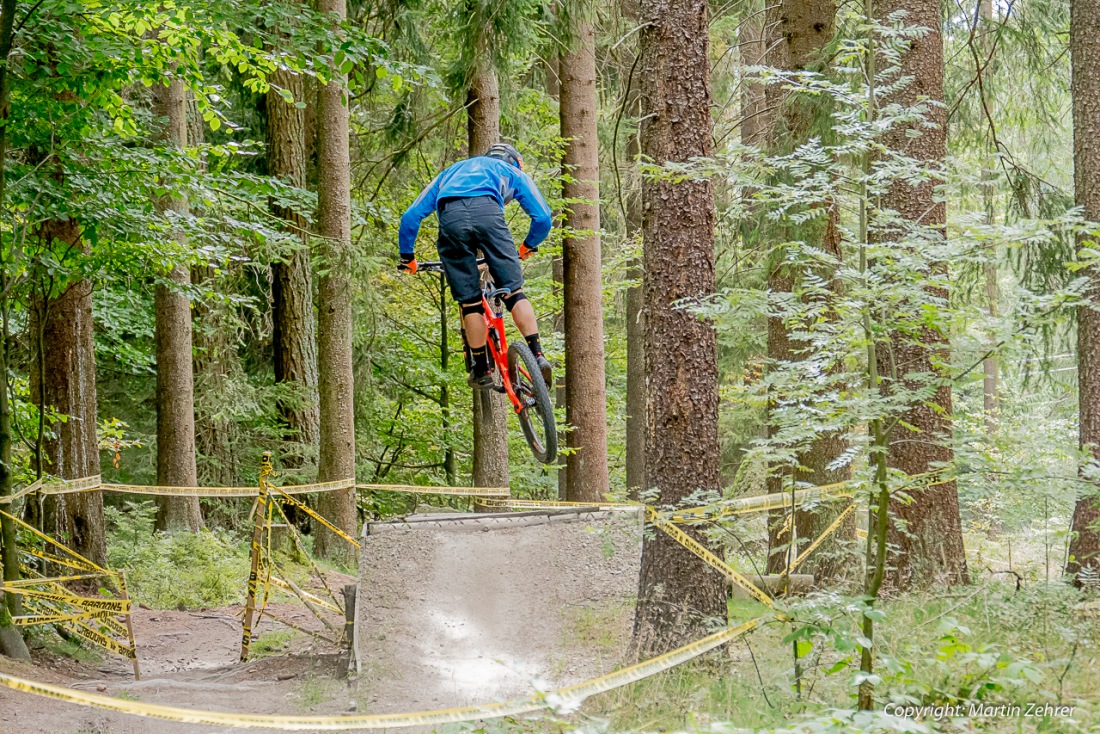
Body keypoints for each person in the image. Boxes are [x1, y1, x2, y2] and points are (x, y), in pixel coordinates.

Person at [397, 143, 554, 390]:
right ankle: (537, 355)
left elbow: (410, 217)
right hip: (489, 216)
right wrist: (527, 246)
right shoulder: (511, 171)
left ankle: (481, 369)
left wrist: (408, 257)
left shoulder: (449, 173)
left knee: (469, 303)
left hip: (452, 222)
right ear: (514, 161)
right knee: (514, 292)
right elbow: (543, 217)